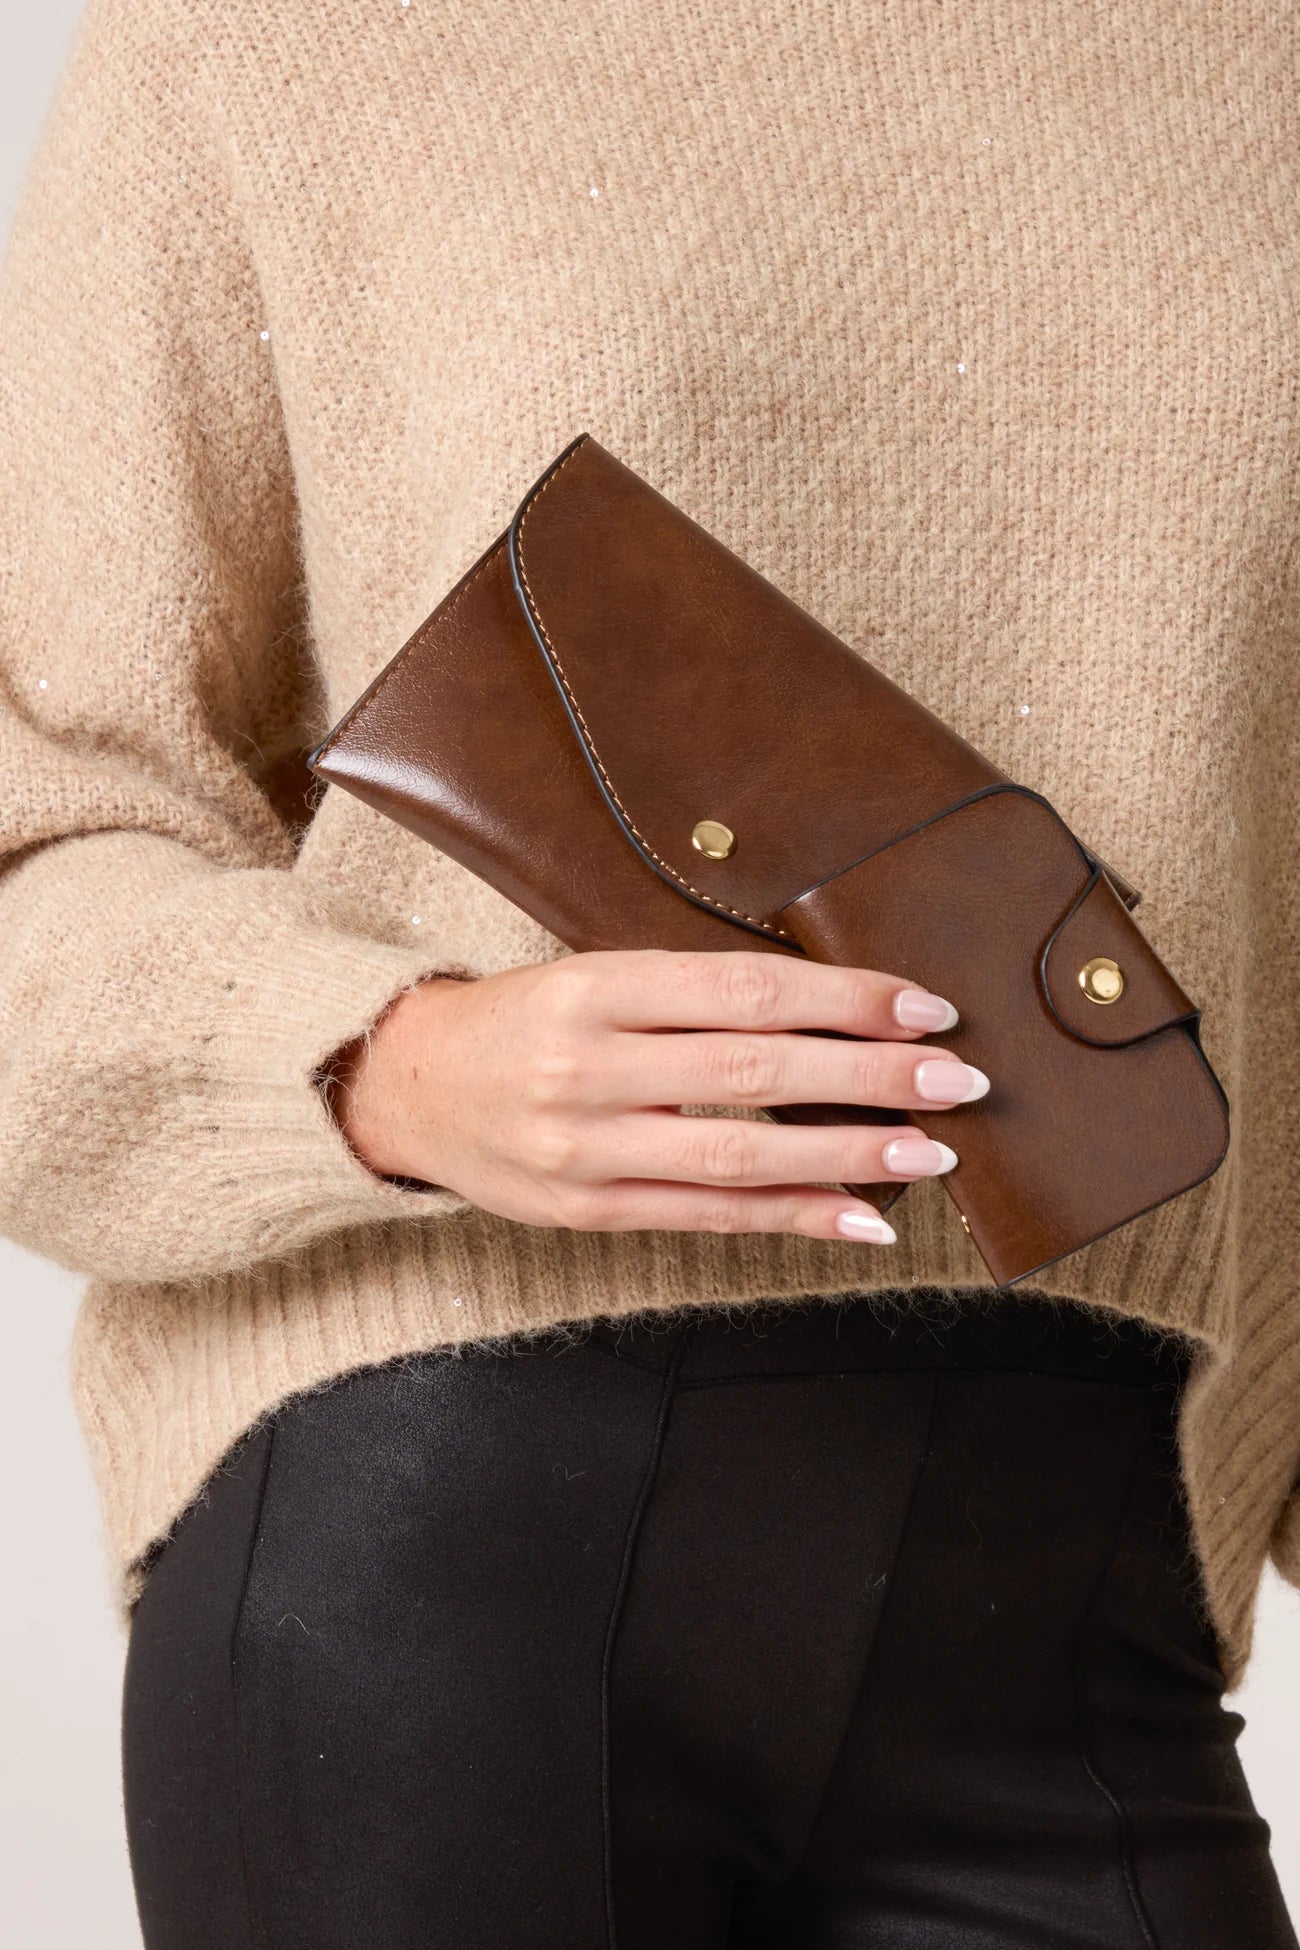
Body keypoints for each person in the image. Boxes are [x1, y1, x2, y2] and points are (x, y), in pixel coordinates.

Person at [1, 1, 1296, 1944]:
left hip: (1089, 1553)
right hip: (442, 1542)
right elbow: (41, 816)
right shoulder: (264, 41)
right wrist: (394, 1064)